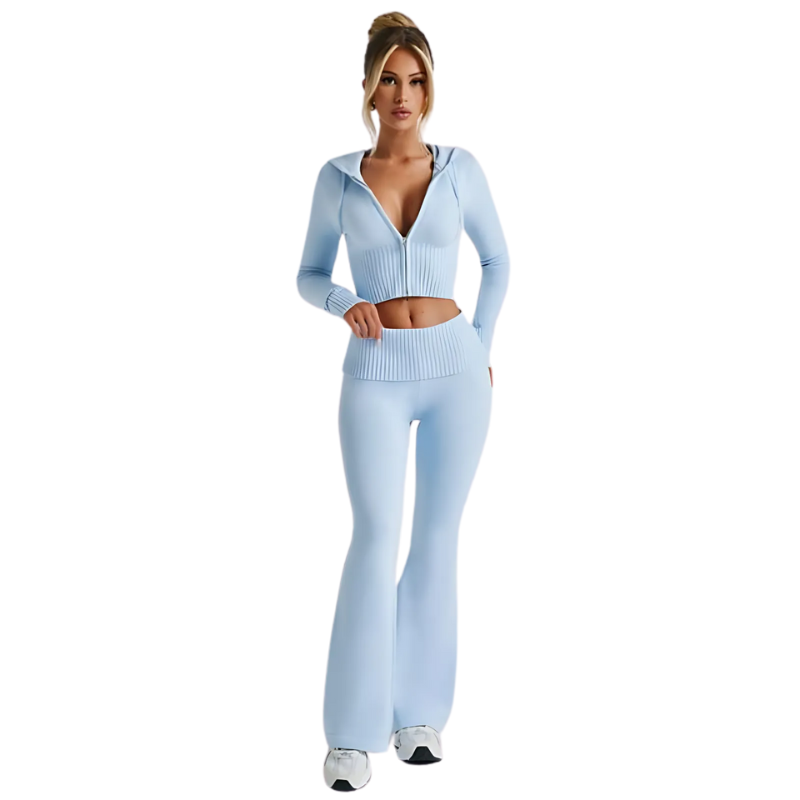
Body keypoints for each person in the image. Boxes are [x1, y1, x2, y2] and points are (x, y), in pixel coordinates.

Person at [297, 12, 510, 792]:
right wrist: (343, 302)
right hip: (375, 373)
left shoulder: (461, 169)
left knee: (438, 537)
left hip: (456, 373)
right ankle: (350, 736)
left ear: (429, 88)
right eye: (389, 78)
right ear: (366, 86)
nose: (402, 94)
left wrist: (480, 346)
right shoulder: (338, 177)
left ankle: (419, 716)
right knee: (375, 535)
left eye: (415, 80)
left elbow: (498, 260)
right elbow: (308, 274)